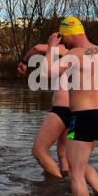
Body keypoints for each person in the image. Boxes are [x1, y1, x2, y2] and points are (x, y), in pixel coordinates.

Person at [43, 16, 98, 196]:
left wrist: (51, 47)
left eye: (63, 38)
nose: (63, 42)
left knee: (75, 173)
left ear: (70, 34)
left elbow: (46, 72)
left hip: (83, 119)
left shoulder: (77, 54)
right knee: (79, 164)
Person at [18, 44, 70, 178]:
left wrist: (24, 62)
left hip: (61, 111)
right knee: (63, 153)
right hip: (76, 113)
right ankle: (67, 184)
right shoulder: (84, 55)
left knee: (39, 151)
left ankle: (57, 184)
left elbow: (36, 48)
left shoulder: (63, 50)